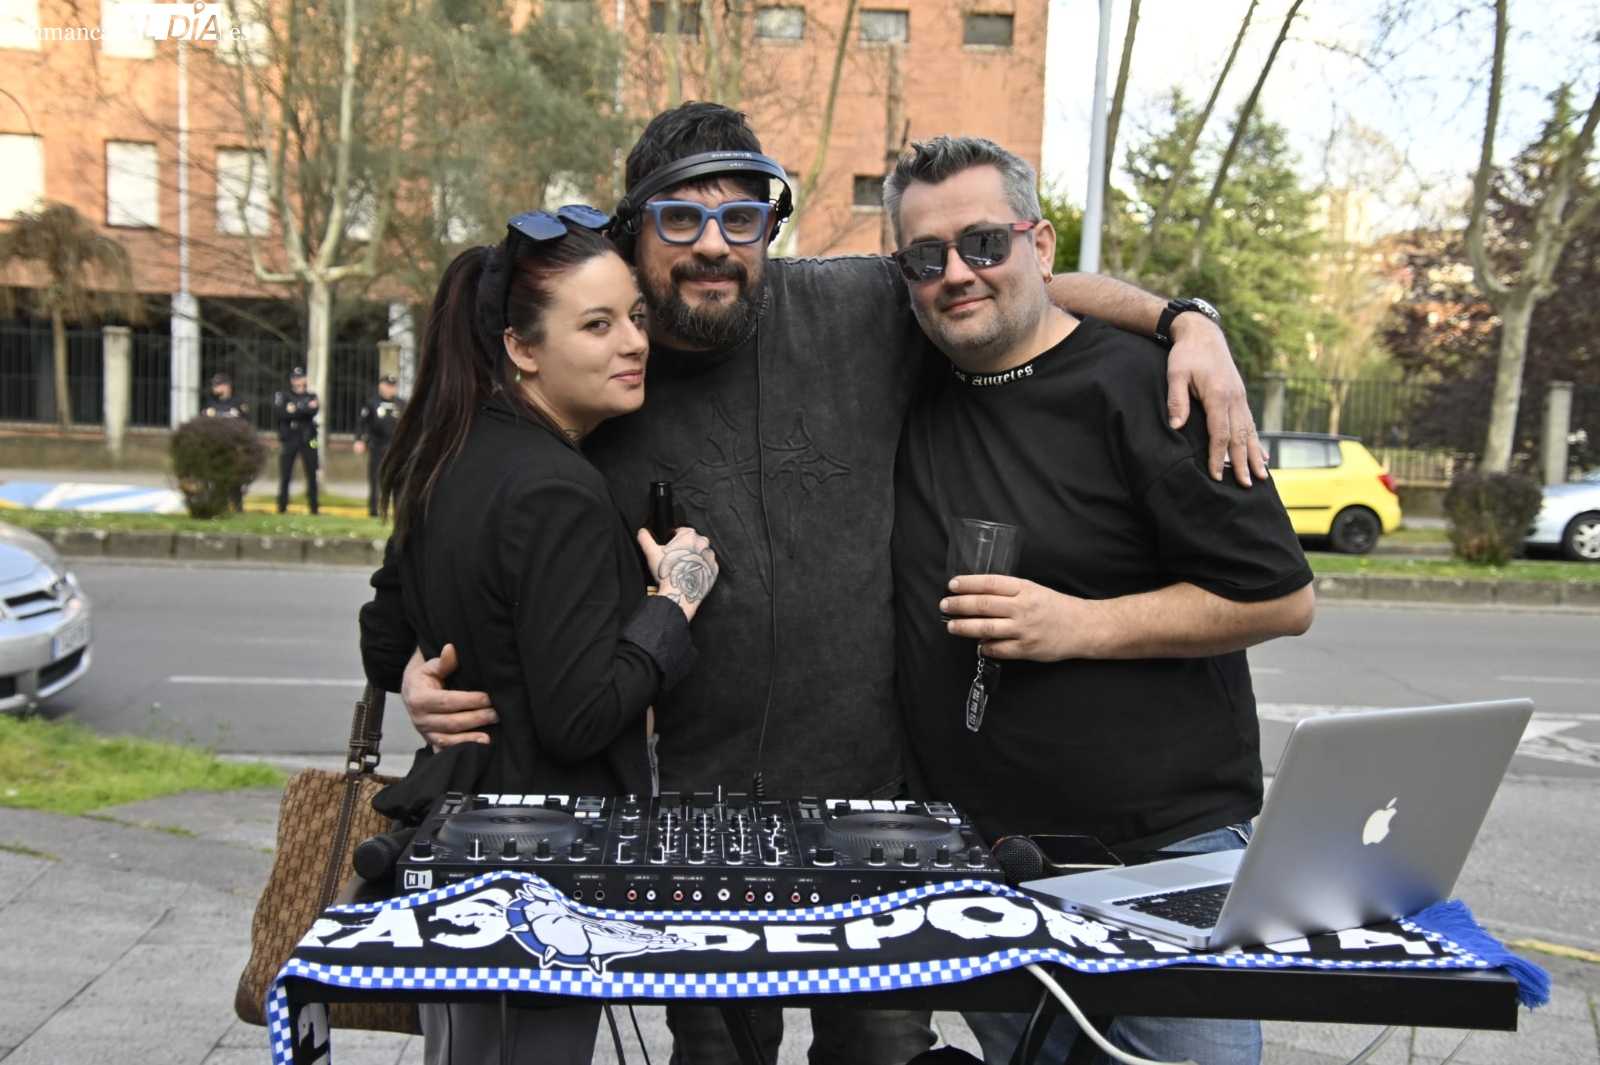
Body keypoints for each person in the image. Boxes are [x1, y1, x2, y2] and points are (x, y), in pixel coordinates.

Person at [363, 103, 1271, 1065]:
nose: (714, 245)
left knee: (884, 1054)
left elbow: (1016, 281)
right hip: (690, 822)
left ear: (770, 225)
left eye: (741, 216)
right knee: (717, 1056)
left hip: (876, 811)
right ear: (635, 233)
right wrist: (421, 663)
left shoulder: (859, 305)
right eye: (680, 218)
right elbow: (456, 533)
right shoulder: (605, 356)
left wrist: (1184, 321)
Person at [883, 136, 1316, 1065]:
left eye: (985, 242)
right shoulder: (910, 369)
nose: (956, 273)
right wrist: (1181, 314)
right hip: (988, 858)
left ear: (1038, 243)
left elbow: (1281, 598)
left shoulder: (1152, 387)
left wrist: (1078, 624)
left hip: (1167, 848)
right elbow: (1052, 286)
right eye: (926, 255)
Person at [374, 212, 720, 1064]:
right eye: (596, 325)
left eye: (634, 316)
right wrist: (675, 602)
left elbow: (383, 635)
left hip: (457, 852)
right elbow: (579, 717)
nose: (633, 342)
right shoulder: (557, 489)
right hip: (540, 874)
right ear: (522, 349)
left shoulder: (447, 454)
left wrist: (423, 673)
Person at [354, 374, 405, 516]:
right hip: (377, 443)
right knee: (375, 476)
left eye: (393, 386)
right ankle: (373, 509)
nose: (391, 389)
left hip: (396, 445)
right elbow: (361, 422)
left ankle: (398, 510)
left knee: (397, 478)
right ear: (381, 386)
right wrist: (359, 439)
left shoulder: (401, 404)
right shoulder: (372, 403)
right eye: (388, 386)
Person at [273, 366, 320, 514]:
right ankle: (282, 506)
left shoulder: (311, 396)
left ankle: (314, 507)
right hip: (290, 437)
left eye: (299, 378)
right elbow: (281, 413)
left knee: (311, 473)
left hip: (308, 437)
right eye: (294, 378)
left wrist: (296, 409)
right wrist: (302, 409)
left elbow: (313, 411)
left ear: (305, 379)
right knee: (285, 474)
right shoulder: (285, 396)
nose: (297, 381)